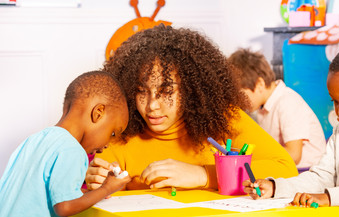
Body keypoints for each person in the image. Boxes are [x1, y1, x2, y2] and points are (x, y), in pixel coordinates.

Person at [85, 24, 298, 193]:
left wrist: (204, 175)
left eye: (167, 91)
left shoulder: (223, 119)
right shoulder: (123, 130)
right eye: (141, 91)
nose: (152, 105)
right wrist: (96, 180)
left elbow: (286, 168)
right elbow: (101, 188)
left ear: (191, 89)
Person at [0, 71, 131, 217]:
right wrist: (107, 188)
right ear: (98, 113)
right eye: (113, 133)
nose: (107, 145)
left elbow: (53, 194)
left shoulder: (34, 140)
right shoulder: (72, 150)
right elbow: (64, 206)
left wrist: (94, 193)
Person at [243, 43, 339, 208]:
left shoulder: (287, 102)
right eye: (334, 101)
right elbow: (322, 176)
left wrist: (328, 198)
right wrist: (275, 187)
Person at [227, 48, 326, 169]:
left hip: (307, 171)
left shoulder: (287, 102)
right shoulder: (262, 108)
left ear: (259, 84)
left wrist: (253, 157)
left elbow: (294, 155)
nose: (238, 101)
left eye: (240, 94)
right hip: (287, 167)